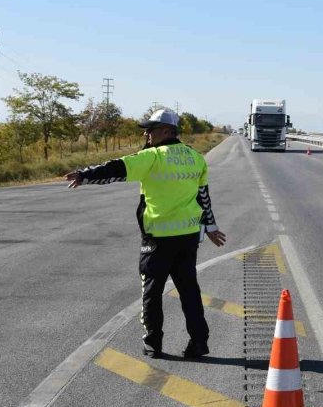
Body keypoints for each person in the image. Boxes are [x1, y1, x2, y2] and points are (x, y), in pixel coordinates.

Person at [65, 109, 226, 359]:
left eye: (150, 130)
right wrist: (211, 227)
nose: (146, 135)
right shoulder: (196, 157)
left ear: (165, 131)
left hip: (157, 239)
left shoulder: (153, 156)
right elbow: (203, 197)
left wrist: (85, 175)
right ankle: (199, 343)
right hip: (188, 238)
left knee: (151, 292)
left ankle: (153, 343)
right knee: (189, 292)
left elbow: (117, 168)